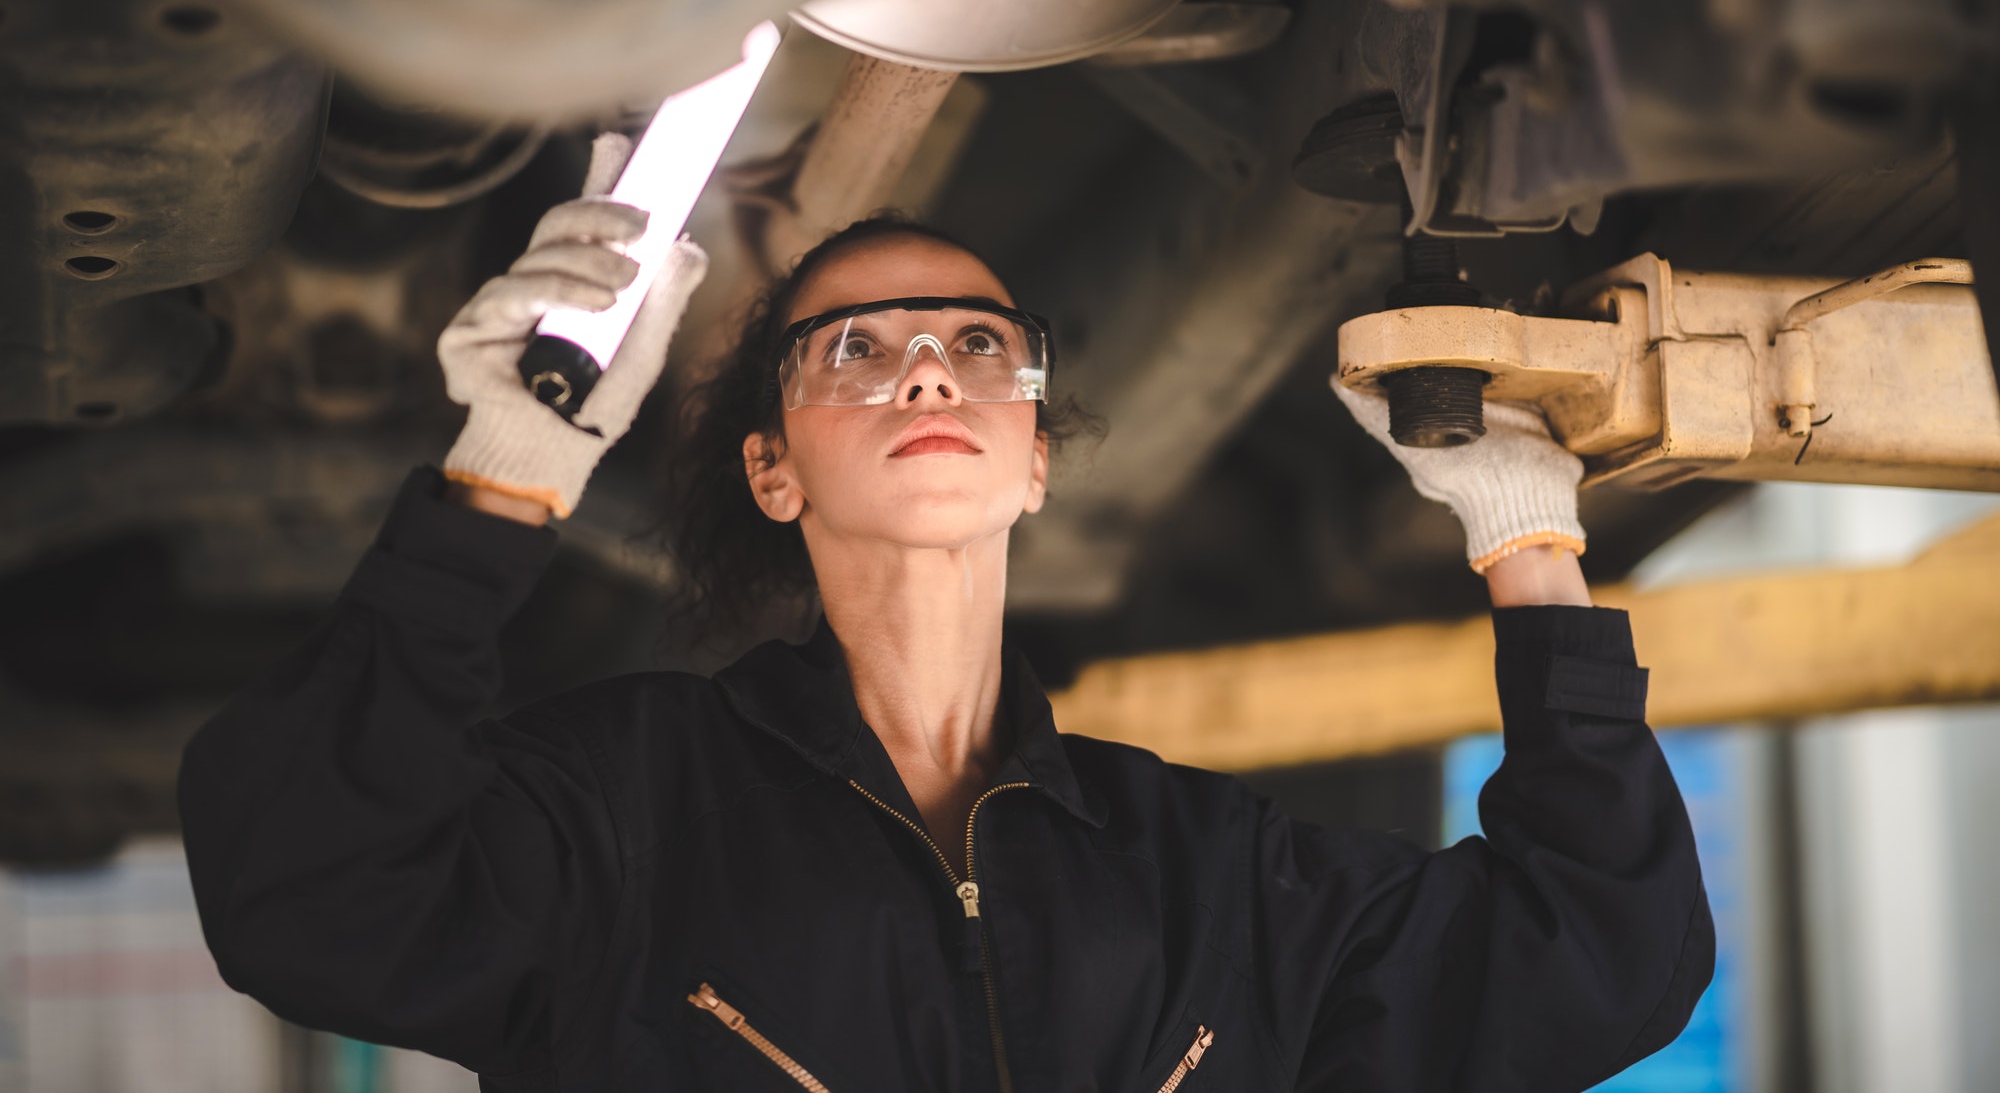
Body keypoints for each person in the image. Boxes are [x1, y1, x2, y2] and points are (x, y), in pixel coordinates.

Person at [179, 135, 1712, 1092]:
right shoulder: (633, 812)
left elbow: (1596, 955)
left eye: (978, 343)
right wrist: (500, 483)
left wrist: (1526, 537)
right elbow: (307, 894)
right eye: (853, 351)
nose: (925, 368)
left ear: (1035, 459)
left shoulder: (1201, 870)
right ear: (769, 470)